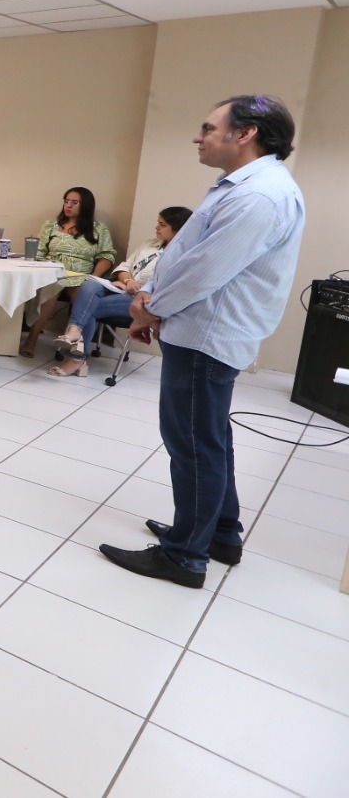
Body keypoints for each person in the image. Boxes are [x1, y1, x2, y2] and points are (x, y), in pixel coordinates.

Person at [100, 97, 306, 588]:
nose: (198, 136)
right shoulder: (247, 186)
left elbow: (206, 270)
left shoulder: (259, 195)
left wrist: (151, 306)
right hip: (202, 330)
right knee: (209, 436)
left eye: (208, 127)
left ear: (245, 133)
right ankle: (219, 534)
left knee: (192, 442)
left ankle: (184, 556)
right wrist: (156, 299)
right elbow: (194, 259)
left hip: (206, 336)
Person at [48, 206, 192, 378]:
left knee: (88, 306)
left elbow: (170, 286)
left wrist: (138, 289)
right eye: (158, 223)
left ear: (177, 228)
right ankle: (75, 332)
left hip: (144, 301)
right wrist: (128, 281)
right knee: (89, 285)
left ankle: (76, 354)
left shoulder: (183, 255)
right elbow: (124, 267)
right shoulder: (149, 244)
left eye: (162, 225)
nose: (157, 227)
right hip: (124, 289)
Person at [20, 187, 117, 357]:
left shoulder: (98, 229)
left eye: (74, 202)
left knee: (82, 297)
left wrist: (94, 276)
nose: (68, 205)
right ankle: (32, 340)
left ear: (85, 205)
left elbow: (107, 256)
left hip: (81, 275)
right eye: (66, 201)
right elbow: (39, 251)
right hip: (53, 271)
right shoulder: (51, 226)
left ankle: (77, 350)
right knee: (50, 293)